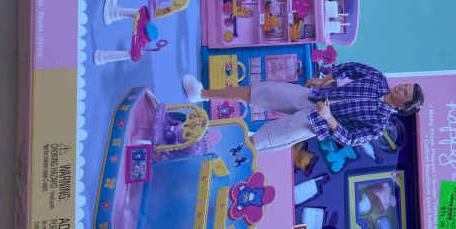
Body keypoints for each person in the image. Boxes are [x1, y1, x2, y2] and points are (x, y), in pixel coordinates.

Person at [181, 62, 424, 152]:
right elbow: (350, 68)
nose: (401, 87)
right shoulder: (378, 79)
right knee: (262, 91)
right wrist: (323, 80)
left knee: (263, 139)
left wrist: (329, 118)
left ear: (403, 107)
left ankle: (206, 150)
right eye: (405, 85)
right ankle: (202, 94)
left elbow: (350, 138)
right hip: (313, 97)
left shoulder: (378, 126)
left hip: (313, 123)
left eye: (405, 92)